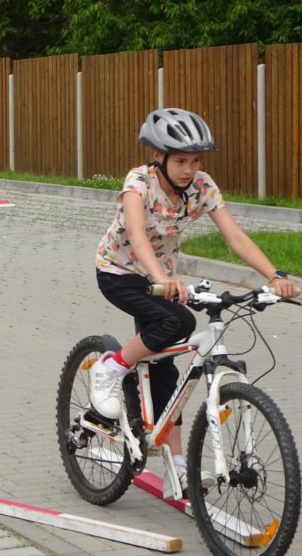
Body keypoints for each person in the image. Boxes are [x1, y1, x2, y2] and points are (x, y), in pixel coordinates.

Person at [90, 107, 299, 490]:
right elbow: (136, 234)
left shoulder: (202, 187)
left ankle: (177, 466)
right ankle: (111, 366)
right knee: (180, 321)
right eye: (181, 161)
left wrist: (274, 276)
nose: (189, 169)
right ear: (158, 156)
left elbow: (235, 237)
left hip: (161, 278)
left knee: (167, 371)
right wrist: (162, 278)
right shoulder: (138, 183)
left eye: (196, 160)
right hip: (119, 273)